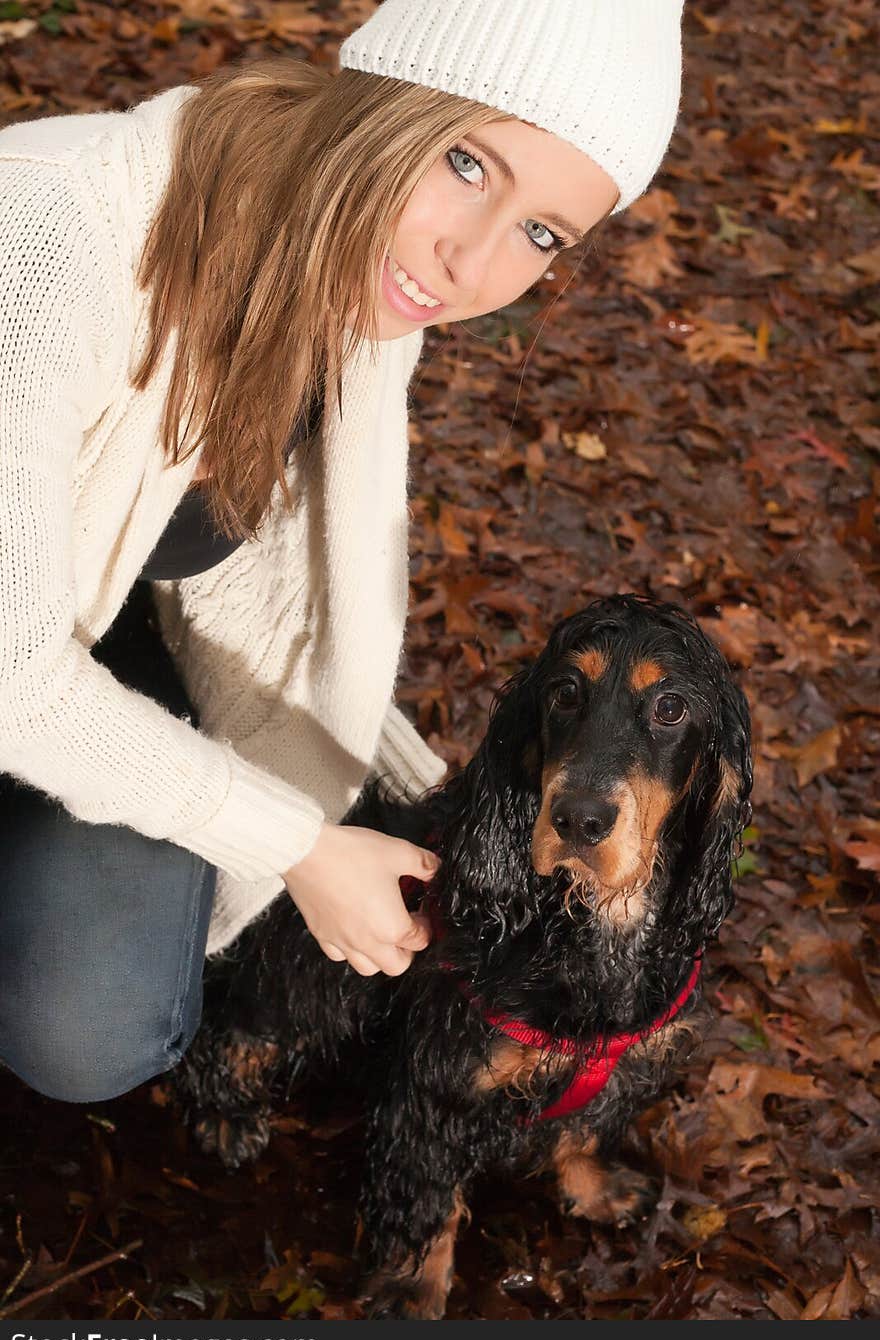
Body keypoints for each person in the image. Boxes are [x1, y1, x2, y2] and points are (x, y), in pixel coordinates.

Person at [0, 0, 685, 1103]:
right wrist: (300, 845)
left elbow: (250, 593)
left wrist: (431, 805)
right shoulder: (46, 233)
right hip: (14, 661)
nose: (469, 261)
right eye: (468, 162)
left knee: (100, 1023)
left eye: (541, 234)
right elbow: (9, 671)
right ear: (384, 96)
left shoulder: (354, 287)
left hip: (82, 621)